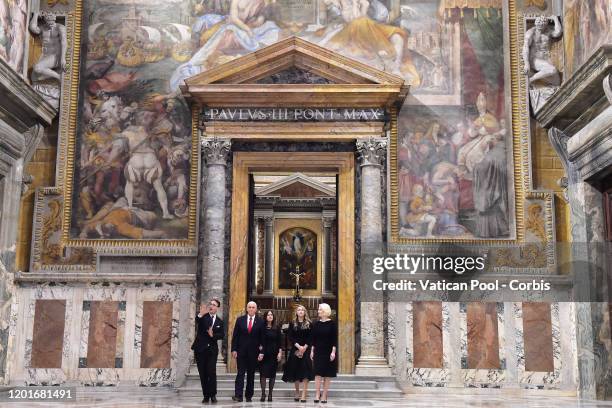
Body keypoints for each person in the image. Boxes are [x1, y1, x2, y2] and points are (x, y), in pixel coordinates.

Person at [191, 298, 224, 403]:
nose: (211, 306)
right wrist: (200, 314)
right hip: (200, 350)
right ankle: (206, 395)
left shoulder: (220, 321)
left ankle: (213, 395)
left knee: (211, 372)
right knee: (203, 373)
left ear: (217, 308)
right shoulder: (203, 317)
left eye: (214, 305)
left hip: (212, 351)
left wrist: (213, 335)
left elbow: (222, 335)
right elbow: (197, 320)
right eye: (210, 304)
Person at [231, 301, 265, 402]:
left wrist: (262, 352)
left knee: (251, 374)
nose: (251, 309)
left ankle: (249, 395)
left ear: (256, 309)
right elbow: (235, 336)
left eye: (253, 307)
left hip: (254, 353)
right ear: (246, 308)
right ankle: (238, 395)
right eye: (249, 307)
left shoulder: (260, 322)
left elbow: (263, 339)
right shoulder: (240, 320)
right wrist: (234, 349)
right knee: (240, 373)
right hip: (241, 352)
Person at [282, 304, 314, 402]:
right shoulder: (292, 323)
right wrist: (298, 346)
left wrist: (304, 347)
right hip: (295, 349)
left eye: (302, 310)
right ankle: (297, 392)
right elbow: (290, 337)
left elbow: (311, 337)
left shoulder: (309, 323)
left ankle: (304, 394)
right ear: (296, 312)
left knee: (305, 372)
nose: (300, 311)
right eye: (299, 310)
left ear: (305, 312)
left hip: (306, 349)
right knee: (295, 371)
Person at [311, 303, 337, 404]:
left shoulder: (332, 324)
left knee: (327, 374)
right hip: (318, 351)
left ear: (325, 311)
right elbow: (313, 339)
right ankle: (317, 394)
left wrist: (333, 352)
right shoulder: (316, 324)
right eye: (318, 309)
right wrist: (312, 351)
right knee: (317, 374)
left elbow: (334, 340)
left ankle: (324, 395)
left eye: (320, 309)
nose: (318, 311)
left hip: (328, 351)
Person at [259, 310, 282, 402]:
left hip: (274, 354)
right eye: (268, 315)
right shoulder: (262, 328)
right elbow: (259, 340)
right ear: (265, 317)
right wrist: (260, 351)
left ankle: (270, 394)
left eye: (271, 314)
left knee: (272, 375)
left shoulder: (277, 328)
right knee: (263, 374)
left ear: (273, 317)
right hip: (264, 353)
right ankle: (263, 393)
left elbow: (279, 342)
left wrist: (280, 353)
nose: (270, 316)